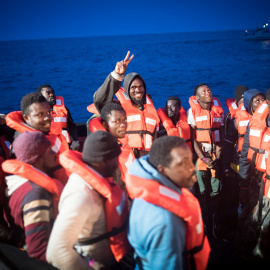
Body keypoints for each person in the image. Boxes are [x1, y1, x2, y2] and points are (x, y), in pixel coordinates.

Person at [46, 131, 130, 270]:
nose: (118, 161)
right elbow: (56, 252)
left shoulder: (98, 183)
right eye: (117, 157)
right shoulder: (81, 195)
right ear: (104, 160)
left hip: (114, 258)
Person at [126, 136, 210, 270]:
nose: (192, 168)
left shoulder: (151, 191)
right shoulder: (164, 221)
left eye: (190, 160)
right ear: (163, 170)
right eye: (183, 163)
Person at [1, 131, 63, 262]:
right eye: (49, 151)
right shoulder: (36, 194)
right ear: (37, 157)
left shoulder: (17, 183)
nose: (54, 154)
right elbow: (38, 250)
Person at [93, 51, 160, 158]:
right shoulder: (118, 108)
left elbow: (154, 137)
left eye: (140, 86)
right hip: (126, 157)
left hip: (148, 159)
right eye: (133, 87)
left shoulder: (149, 109)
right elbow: (100, 100)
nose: (138, 90)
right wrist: (117, 75)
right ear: (127, 90)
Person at [5, 92, 69, 184]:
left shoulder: (49, 135)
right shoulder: (26, 145)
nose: (47, 118)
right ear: (27, 118)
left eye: (48, 112)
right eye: (40, 115)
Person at [212, 85, 249, 241]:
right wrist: (226, 166)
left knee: (243, 199)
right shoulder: (231, 117)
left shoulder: (254, 117)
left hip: (248, 166)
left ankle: (239, 230)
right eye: (242, 99)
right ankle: (219, 223)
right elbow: (228, 142)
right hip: (234, 164)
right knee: (232, 197)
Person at [234, 89, 267, 261]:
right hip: (255, 181)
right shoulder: (251, 126)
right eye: (257, 101)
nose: (261, 103)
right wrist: (243, 185)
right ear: (249, 105)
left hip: (267, 186)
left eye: (263, 100)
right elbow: (245, 158)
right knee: (249, 219)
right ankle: (241, 255)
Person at [187, 83, 224, 229]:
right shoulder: (192, 112)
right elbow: (193, 139)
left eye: (209, 90)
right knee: (202, 190)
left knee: (216, 189)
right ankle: (204, 221)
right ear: (197, 97)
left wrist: (217, 157)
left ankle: (215, 220)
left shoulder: (217, 111)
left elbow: (221, 135)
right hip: (201, 156)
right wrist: (203, 158)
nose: (208, 92)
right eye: (203, 92)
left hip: (215, 155)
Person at [89, 102, 135, 204]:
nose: (123, 124)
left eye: (124, 120)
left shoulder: (121, 145)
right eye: (117, 121)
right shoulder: (104, 154)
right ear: (106, 124)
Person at [36, 84, 79, 150]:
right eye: (48, 93)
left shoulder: (64, 109)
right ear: (40, 96)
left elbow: (72, 126)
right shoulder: (37, 113)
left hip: (66, 145)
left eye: (53, 92)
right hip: (48, 146)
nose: (52, 95)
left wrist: (75, 141)